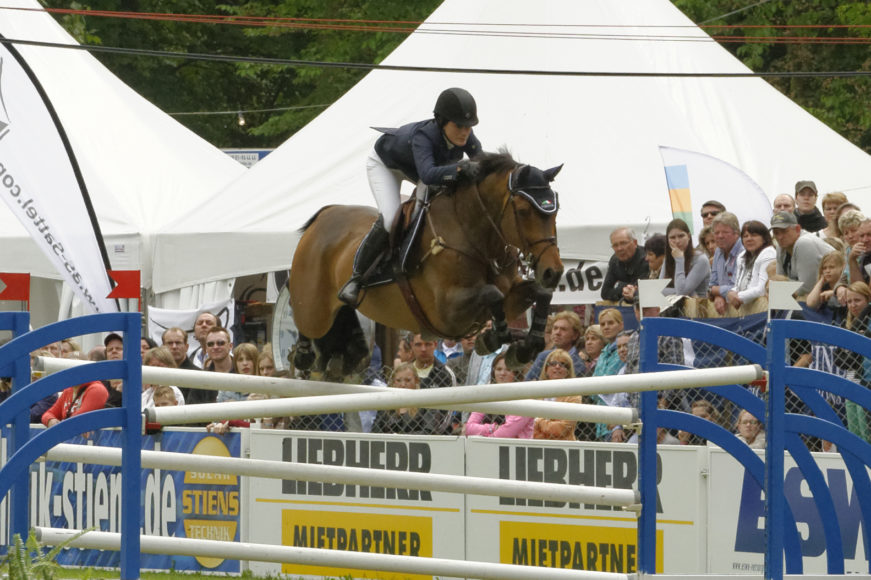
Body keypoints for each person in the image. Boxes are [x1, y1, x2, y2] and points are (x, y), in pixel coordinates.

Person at [338, 87, 483, 305]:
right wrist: (460, 170)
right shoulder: (424, 136)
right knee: (389, 219)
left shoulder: (468, 139)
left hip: (423, 168)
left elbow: (483, 166)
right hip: (386, 166)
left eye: (469, 127)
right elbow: (428, 174)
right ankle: (356, 278)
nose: (465, 132)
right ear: (442, 122)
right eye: (459, 126)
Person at [463, 352, 534, 438]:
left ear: (516, 373)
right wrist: (492, 428)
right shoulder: (487, 394)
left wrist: (485, 438)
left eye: (508, 369)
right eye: (499, 369)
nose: (502, 373)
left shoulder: (523, 398)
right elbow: (468, 428)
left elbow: (507, 433)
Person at [836, 281, 871, 442]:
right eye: (849, 301)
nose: (853, 305)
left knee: (866, 434)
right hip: (851, 383)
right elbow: (839, 360)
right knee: (855, 435)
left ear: (867, 300)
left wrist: (852, 352)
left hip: (866, 383)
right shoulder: (847, 324)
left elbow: (853, 357)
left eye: (857, 300)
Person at [770, 211, 833, 296]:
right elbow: (778, 282)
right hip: (811, 299)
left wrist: (782, 284)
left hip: (831, 299)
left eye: (784, 231)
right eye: (776, 233)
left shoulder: (804, 243)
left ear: (797, 229)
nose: (780, 237)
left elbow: (807, 288)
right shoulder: (781, 247)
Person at [370, 363, 444, 435]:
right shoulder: (386, 404)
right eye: (398, 380)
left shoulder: (427, 403)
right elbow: (375, 431)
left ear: (416, 381)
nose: (402, 385)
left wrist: (399, 437)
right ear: (393, 382)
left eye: (408, 380)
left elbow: (428, 431)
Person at [727, 220, 777, 314]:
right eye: (745, 236)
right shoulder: (742, 256)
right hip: (748, 310)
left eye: (753, 235)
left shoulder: (768, 253)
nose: (749, 239)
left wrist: (738, 296)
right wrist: (730, 293)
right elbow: (738, 285)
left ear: (765, 238)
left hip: (764, 310)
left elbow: (762, 289)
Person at [533, 349, 581, 441]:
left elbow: (562, 429)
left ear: (568, 371)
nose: (557, 366)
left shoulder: (573, 395)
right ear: (546, 369)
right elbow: (531, 427)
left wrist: (540, 422)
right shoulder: (536, 392)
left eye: (563, 364)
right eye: (553, 363)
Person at [524, 311, 586, 379]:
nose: (557, 332)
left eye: (563, 329)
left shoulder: (578, 363)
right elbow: (528, 381)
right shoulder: (543, 356)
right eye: (555, 328)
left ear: (575, 335)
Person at [661, 218, 711, 297]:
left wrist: (679, 260)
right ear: (667, 240)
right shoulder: (668, 258)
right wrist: (691, 293)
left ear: (688, 236)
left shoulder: (701, 259)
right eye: (672, 238)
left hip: (698, 306)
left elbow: (681, 291)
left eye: (681, 236)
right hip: (675, 307)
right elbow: (660, 289)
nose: (677, 241)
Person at [600, 227, 649, 303]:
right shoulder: (614, 260)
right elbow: (605, 293)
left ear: (635, 243)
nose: (619, 248)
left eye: (623, 243)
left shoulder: (646, 258)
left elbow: (639, 291)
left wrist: (620, 286)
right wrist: (623, 289)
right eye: (615, 245)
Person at [708, 212, 743, 315]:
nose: (720, 236)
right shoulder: (718, 251)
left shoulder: (743, 251)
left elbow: (737, 287)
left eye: (725, 232)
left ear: (736, 233)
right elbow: (712, 285)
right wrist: (718, 295)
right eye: (716, 233)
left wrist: (716, 291)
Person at [42, 380, 108, 427]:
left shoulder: (97, 389)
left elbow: (79, 419)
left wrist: (59, 426)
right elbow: (47, 414)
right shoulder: (68, 390)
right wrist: (51, 420)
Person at [849, 218, 871, 285]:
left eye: (869, 234)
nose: (865, 240)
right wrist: (852, 259)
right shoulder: (864, 256)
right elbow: (858, 288)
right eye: (862, 236)